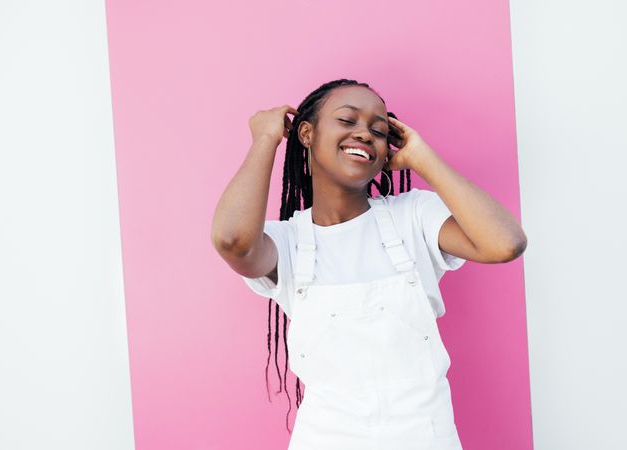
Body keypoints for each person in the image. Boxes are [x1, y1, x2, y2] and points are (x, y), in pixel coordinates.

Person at [211, 79, 527, 450]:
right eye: (348, 121)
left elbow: (506, 243)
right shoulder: (287, 242)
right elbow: (233, 241)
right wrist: (265, 140)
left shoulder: (414, 216)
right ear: (308, 134)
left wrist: (422, 157)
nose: (364, 133)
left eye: (379, 130)